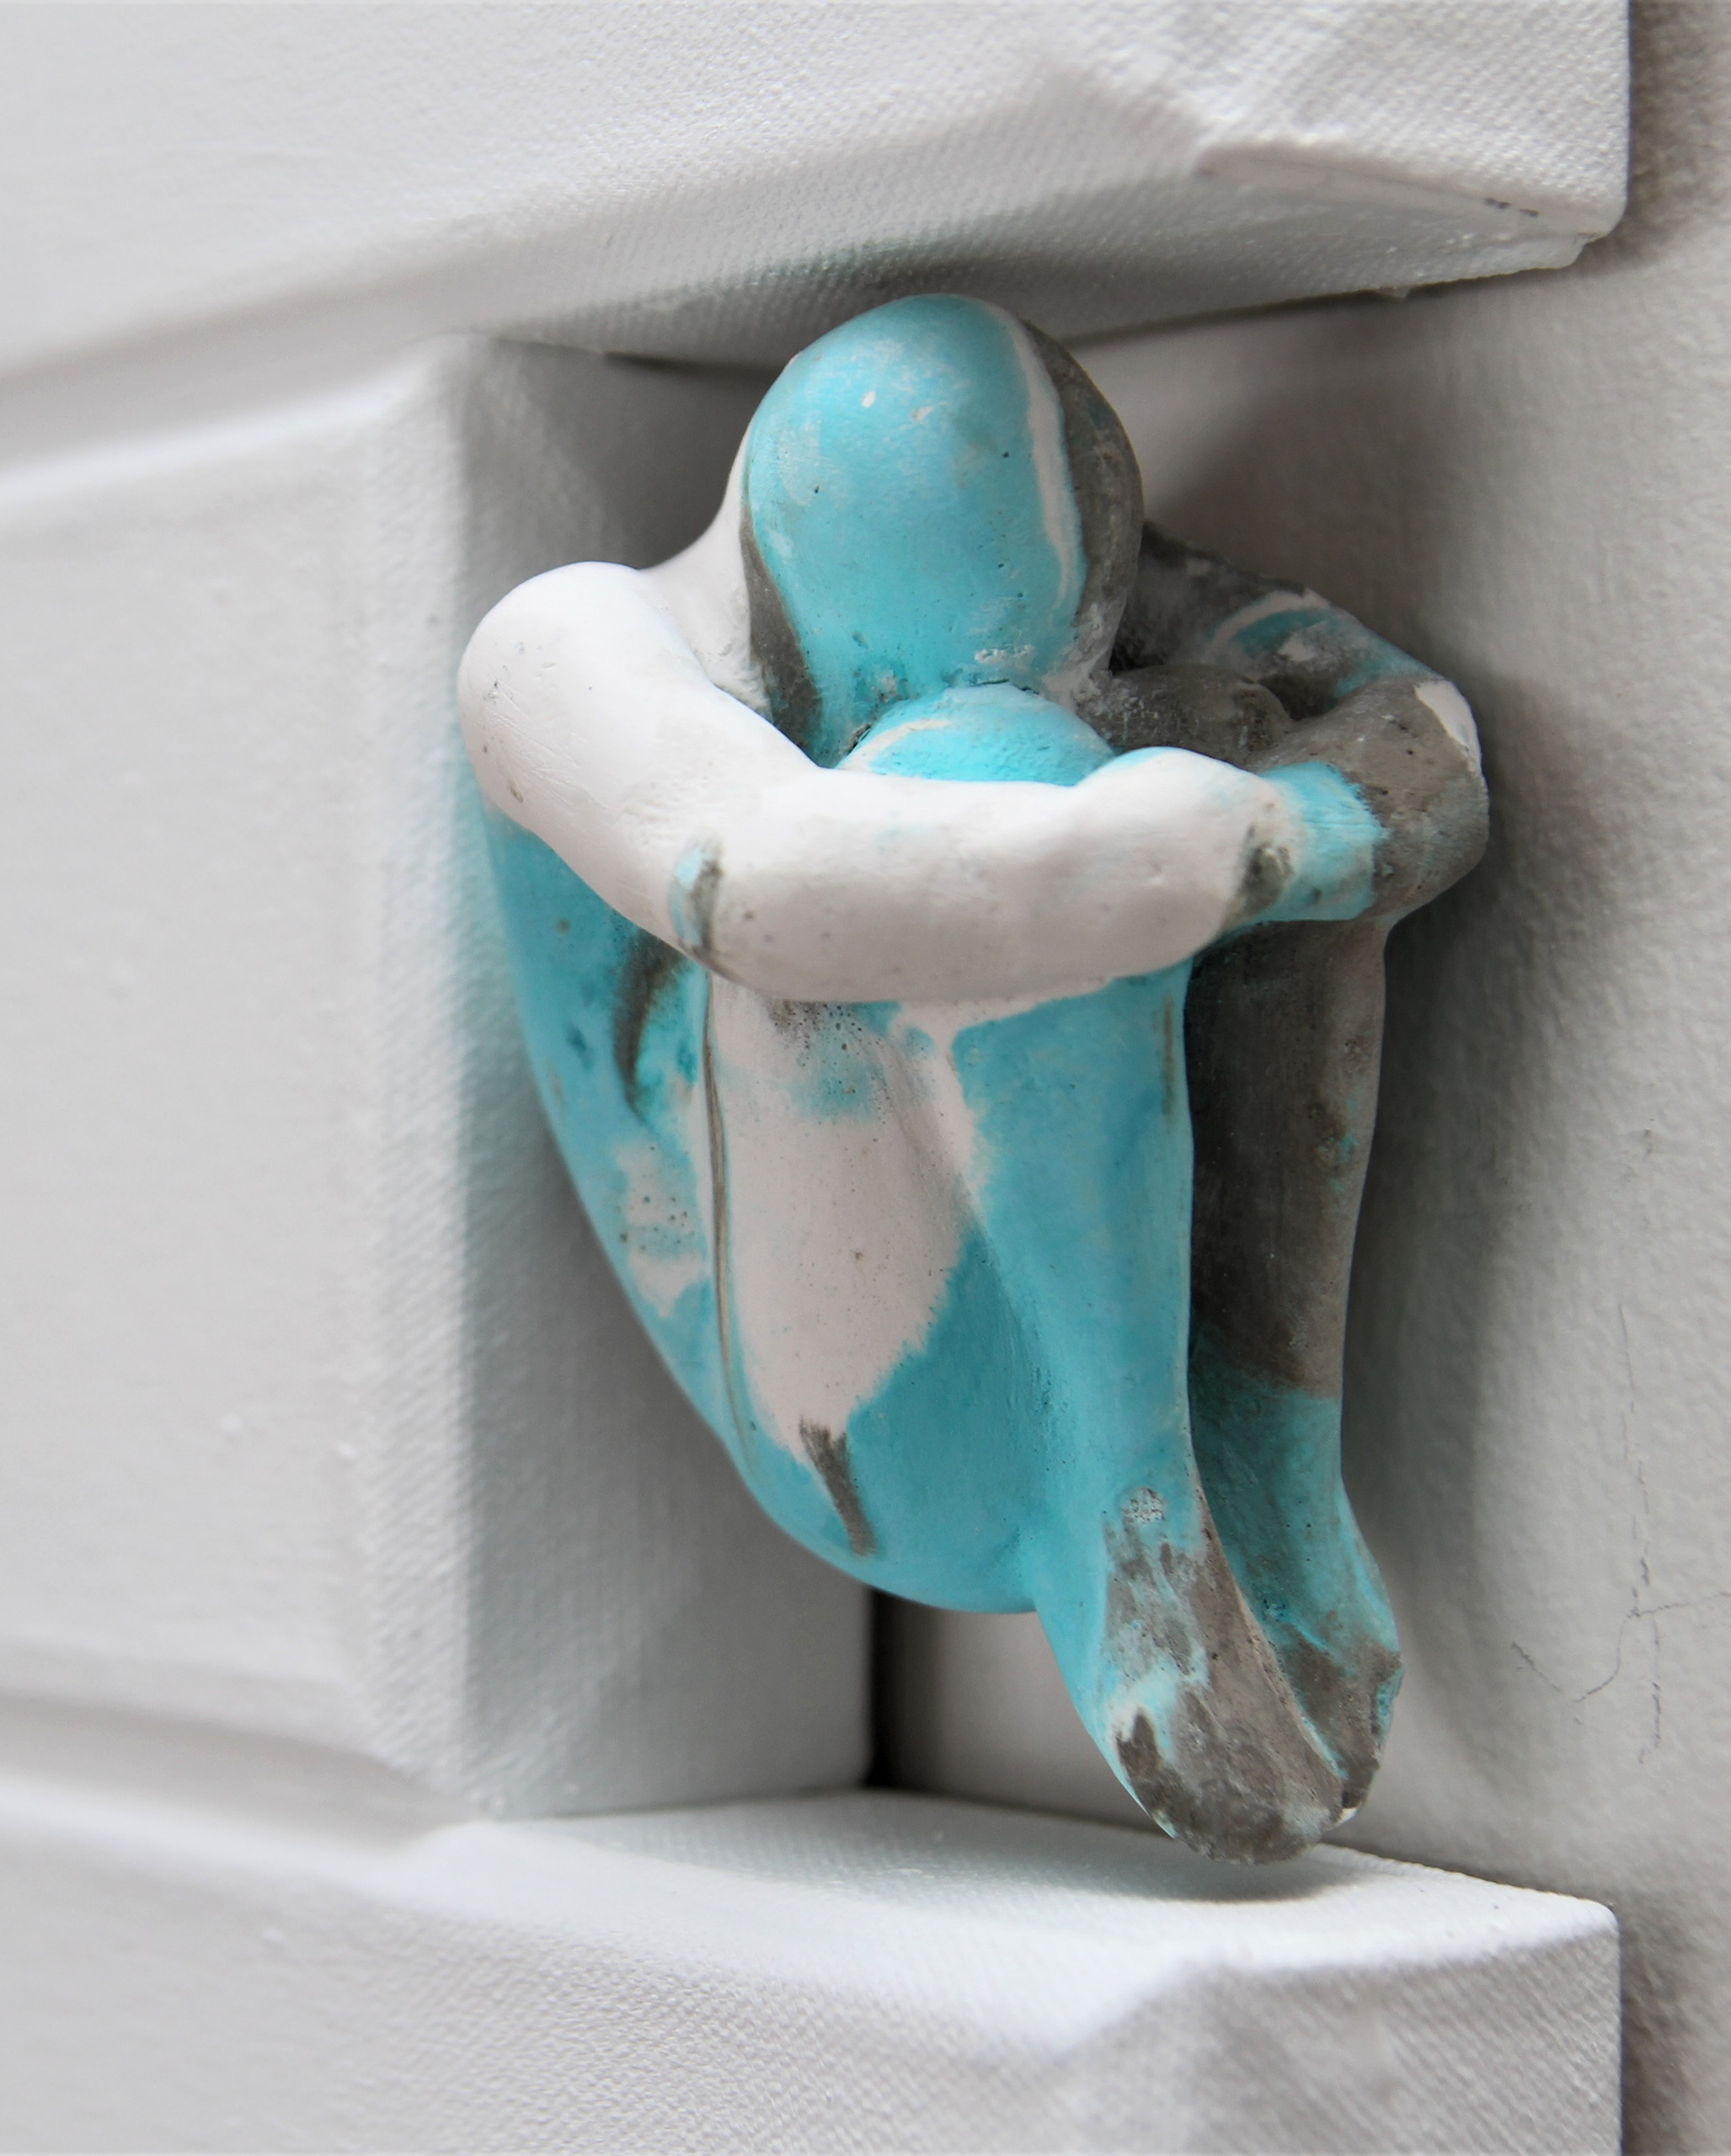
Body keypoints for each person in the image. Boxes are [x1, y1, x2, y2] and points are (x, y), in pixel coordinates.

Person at [459, 296, 1485, 1861]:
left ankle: (1266, 1451)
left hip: (1019, 1249)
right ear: (784, 581)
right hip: (840, 1425)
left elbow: (1423, 742)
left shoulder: (1049, 550)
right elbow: (759, 880)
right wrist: (1189, 831)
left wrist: (1251, 831)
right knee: (1005, 777)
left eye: (1077, 648)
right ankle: (1126, 1498)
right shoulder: (566, 646)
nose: (1047, 678)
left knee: (1190, 779)